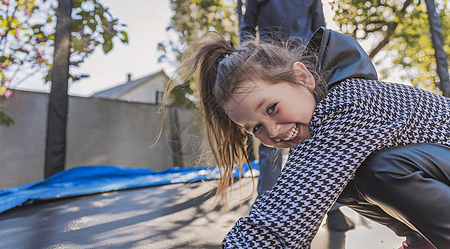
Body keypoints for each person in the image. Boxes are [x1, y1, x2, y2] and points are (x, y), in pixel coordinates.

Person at [170, 30, 449, 248]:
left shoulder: (347, 104)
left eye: (271, 109)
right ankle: (422, 241)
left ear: (302, 78)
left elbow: (284, 215)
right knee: (346, 180)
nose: (273, 131)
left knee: (381, 170)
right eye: (255, 128)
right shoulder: (325, 126)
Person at [241, 0, 352, 231]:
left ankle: (334, 208)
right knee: (271, 143)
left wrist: (322, 72)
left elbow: (320, 29)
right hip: (270, 74)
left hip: (305, 75)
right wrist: (251, 67)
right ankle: (266, 214)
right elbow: (247, 30)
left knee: (319, 136)